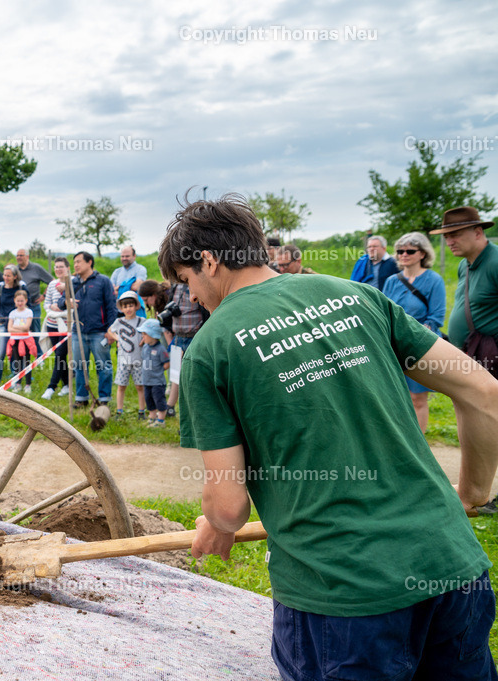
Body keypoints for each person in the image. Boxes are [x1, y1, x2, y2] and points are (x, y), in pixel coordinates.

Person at [158, 193, 498, 681]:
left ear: (209, 262)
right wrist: (472, 492)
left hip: (342, 597)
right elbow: (485, 392)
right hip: (451, 566)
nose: (190, 297)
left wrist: (217, 522)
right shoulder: (359, 298)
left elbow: (229, 506)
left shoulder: (210, 349)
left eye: (187, 280)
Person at [382, 232, 446, 432]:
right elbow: (383, 313)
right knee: (397, 399)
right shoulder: (392, 280)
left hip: (419, 346)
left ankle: (420, 446)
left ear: (423, 254)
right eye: (400, 251)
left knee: (417, 399)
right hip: (393, 346)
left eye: (410, 250)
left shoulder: (434, 280)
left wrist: (411, 338)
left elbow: (435, 318)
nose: (404, 254)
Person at [432, 206, 498, 380]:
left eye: (455, 235)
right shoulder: (464, 264)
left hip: (491, 357)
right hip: (469, 355)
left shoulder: (495, 262)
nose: (449, 242)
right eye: (446, 237)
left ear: (477, 232)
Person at [58, 251, 118, 407]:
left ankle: (104, 399)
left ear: (89, 262)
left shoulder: (103, 281)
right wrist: (67, 302)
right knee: (78, 365)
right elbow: (59, 302)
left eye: (79, 261)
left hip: (99, 331)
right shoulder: (72, 282)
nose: (76, 265)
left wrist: (110, 329)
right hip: (78, 331)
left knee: (103, 366)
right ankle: (81, 398)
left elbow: (111, 307)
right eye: (74, 262)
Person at [164, 281, 206, 418]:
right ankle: (170, 407)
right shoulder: (175, 286)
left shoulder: (197, 283)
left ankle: (192, 413)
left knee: (192, 378)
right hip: (178, 337)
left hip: (194, 336)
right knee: (176, 375)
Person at [107, 291, 146, 419]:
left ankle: (142, 411)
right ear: (121, 308)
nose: (128, 309)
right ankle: (119, 410)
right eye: (125, 306)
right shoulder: (119, 322)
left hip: (138, 359)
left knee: (140, 386)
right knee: (121, 385)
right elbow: (110, 331)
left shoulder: (141, 321)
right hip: (123, 360)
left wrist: (144, 339)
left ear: (135, 306)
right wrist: (117, 338)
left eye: (130, 305)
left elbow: (149, 332)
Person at [0, 265, 28, 386]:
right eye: (4, 275)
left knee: (16, 354)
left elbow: (28, 306)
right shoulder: (0, 288)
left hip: (18, 325)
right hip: (3, 324)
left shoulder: (22, 287)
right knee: (0, 353)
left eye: (8, 275)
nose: (5, 277)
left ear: (15, 276)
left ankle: (17, 378)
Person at [41, 257, 71, 400]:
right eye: (56, 267)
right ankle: (67, 384)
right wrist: (52, 308)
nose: (58, 269)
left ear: (67, 268)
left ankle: (51, 387)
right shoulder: (52, 284)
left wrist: (61, 309)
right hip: (52, 323)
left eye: (61, 267)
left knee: (60, 354)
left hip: (66, 325)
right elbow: (46, 304)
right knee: (59, 356)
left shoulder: (72, 283)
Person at [138, 318, 169, 427]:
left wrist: (158, 369)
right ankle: (152, 417)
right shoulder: (145, 347)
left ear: (153, 335)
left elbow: (166, 363)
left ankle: (161, 420)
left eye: (144, 334)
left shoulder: (161, 349)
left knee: (159, 400)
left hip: (157, 382)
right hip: (147, 381)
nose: (142, 336)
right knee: (149, 400)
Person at [15, 248, 53, 333]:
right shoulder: (15, 270)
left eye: (21, 255)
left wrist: (44, 296)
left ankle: (36, 346)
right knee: (20, 331)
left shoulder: (36, 268)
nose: (19, 257)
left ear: (27, 256)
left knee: (35, 331)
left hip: (33, 305)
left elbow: (51, 281)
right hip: (19, 306)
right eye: (17, 255)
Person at [6, 289, 37, 392]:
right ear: (14, 301)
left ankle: (28, 384)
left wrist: (15, 327)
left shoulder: (29, 312)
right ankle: (18, 383)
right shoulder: (12, 313)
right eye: (18, 301)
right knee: (17, 362)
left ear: (26, 300)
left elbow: (27, 327)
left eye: (22, 301)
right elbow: (9, 329)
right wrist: (20, 328)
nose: (20, 303)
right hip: (15, 340)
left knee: (27, 362)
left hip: (26, 340)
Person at [110, 245, 148, 318]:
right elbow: (112, 291)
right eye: (122, 256)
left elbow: (136, 287)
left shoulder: (140, 269)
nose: (124, 258)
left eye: (127, 256)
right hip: (119, 311)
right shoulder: (117, 272)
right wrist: (128, 285)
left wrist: (119, 289)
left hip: (135, 310)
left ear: (134, 256)